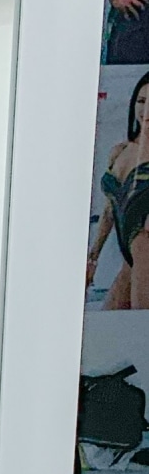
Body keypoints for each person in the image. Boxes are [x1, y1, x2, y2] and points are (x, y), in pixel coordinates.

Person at [88, 70, 149, 308]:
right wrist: (93, 255)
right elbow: (108, 212)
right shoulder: (120, 151)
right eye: (141, 101)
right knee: (112, 318)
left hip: (144, 244)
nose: (146, 109)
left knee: (139, 322)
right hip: (130, 255)